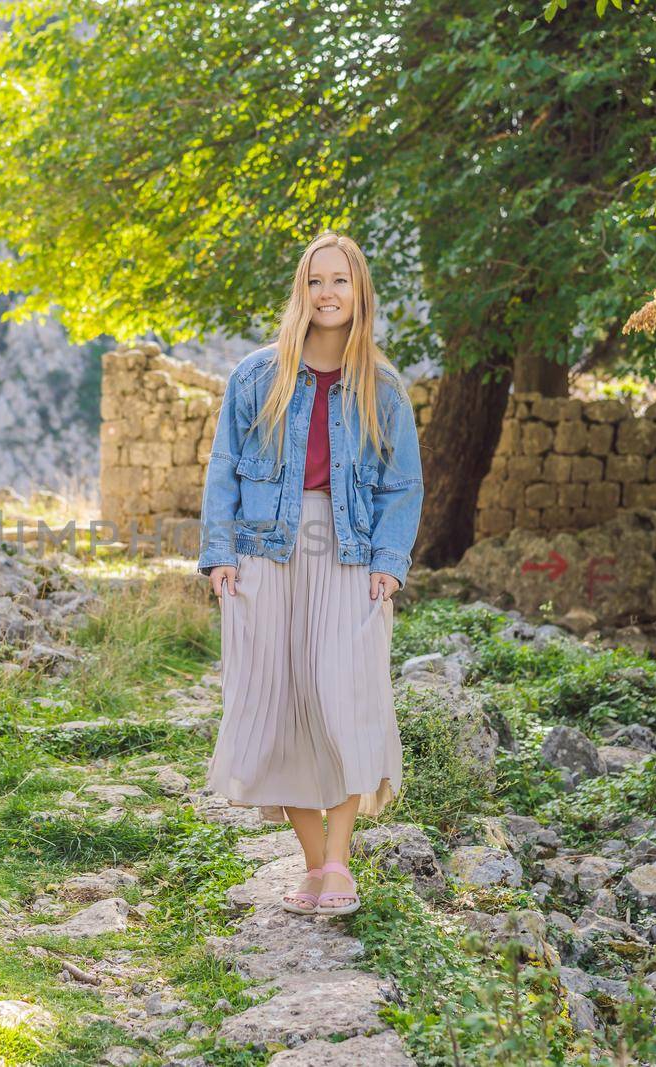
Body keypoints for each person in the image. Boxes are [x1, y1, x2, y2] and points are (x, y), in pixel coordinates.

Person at [196, 231, 424, 917]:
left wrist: (389, 563)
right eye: (316, 281)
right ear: (302, 290)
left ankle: (341, 860)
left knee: (344, 698)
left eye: (341, 281)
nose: (328, 293)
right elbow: (222, 468)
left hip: (348, 555)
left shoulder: (382, 390)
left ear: (360, 294)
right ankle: (312, 862)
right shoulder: (255, 377)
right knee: (285, 705)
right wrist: (220, 553)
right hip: (268, 550)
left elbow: (402, 486)